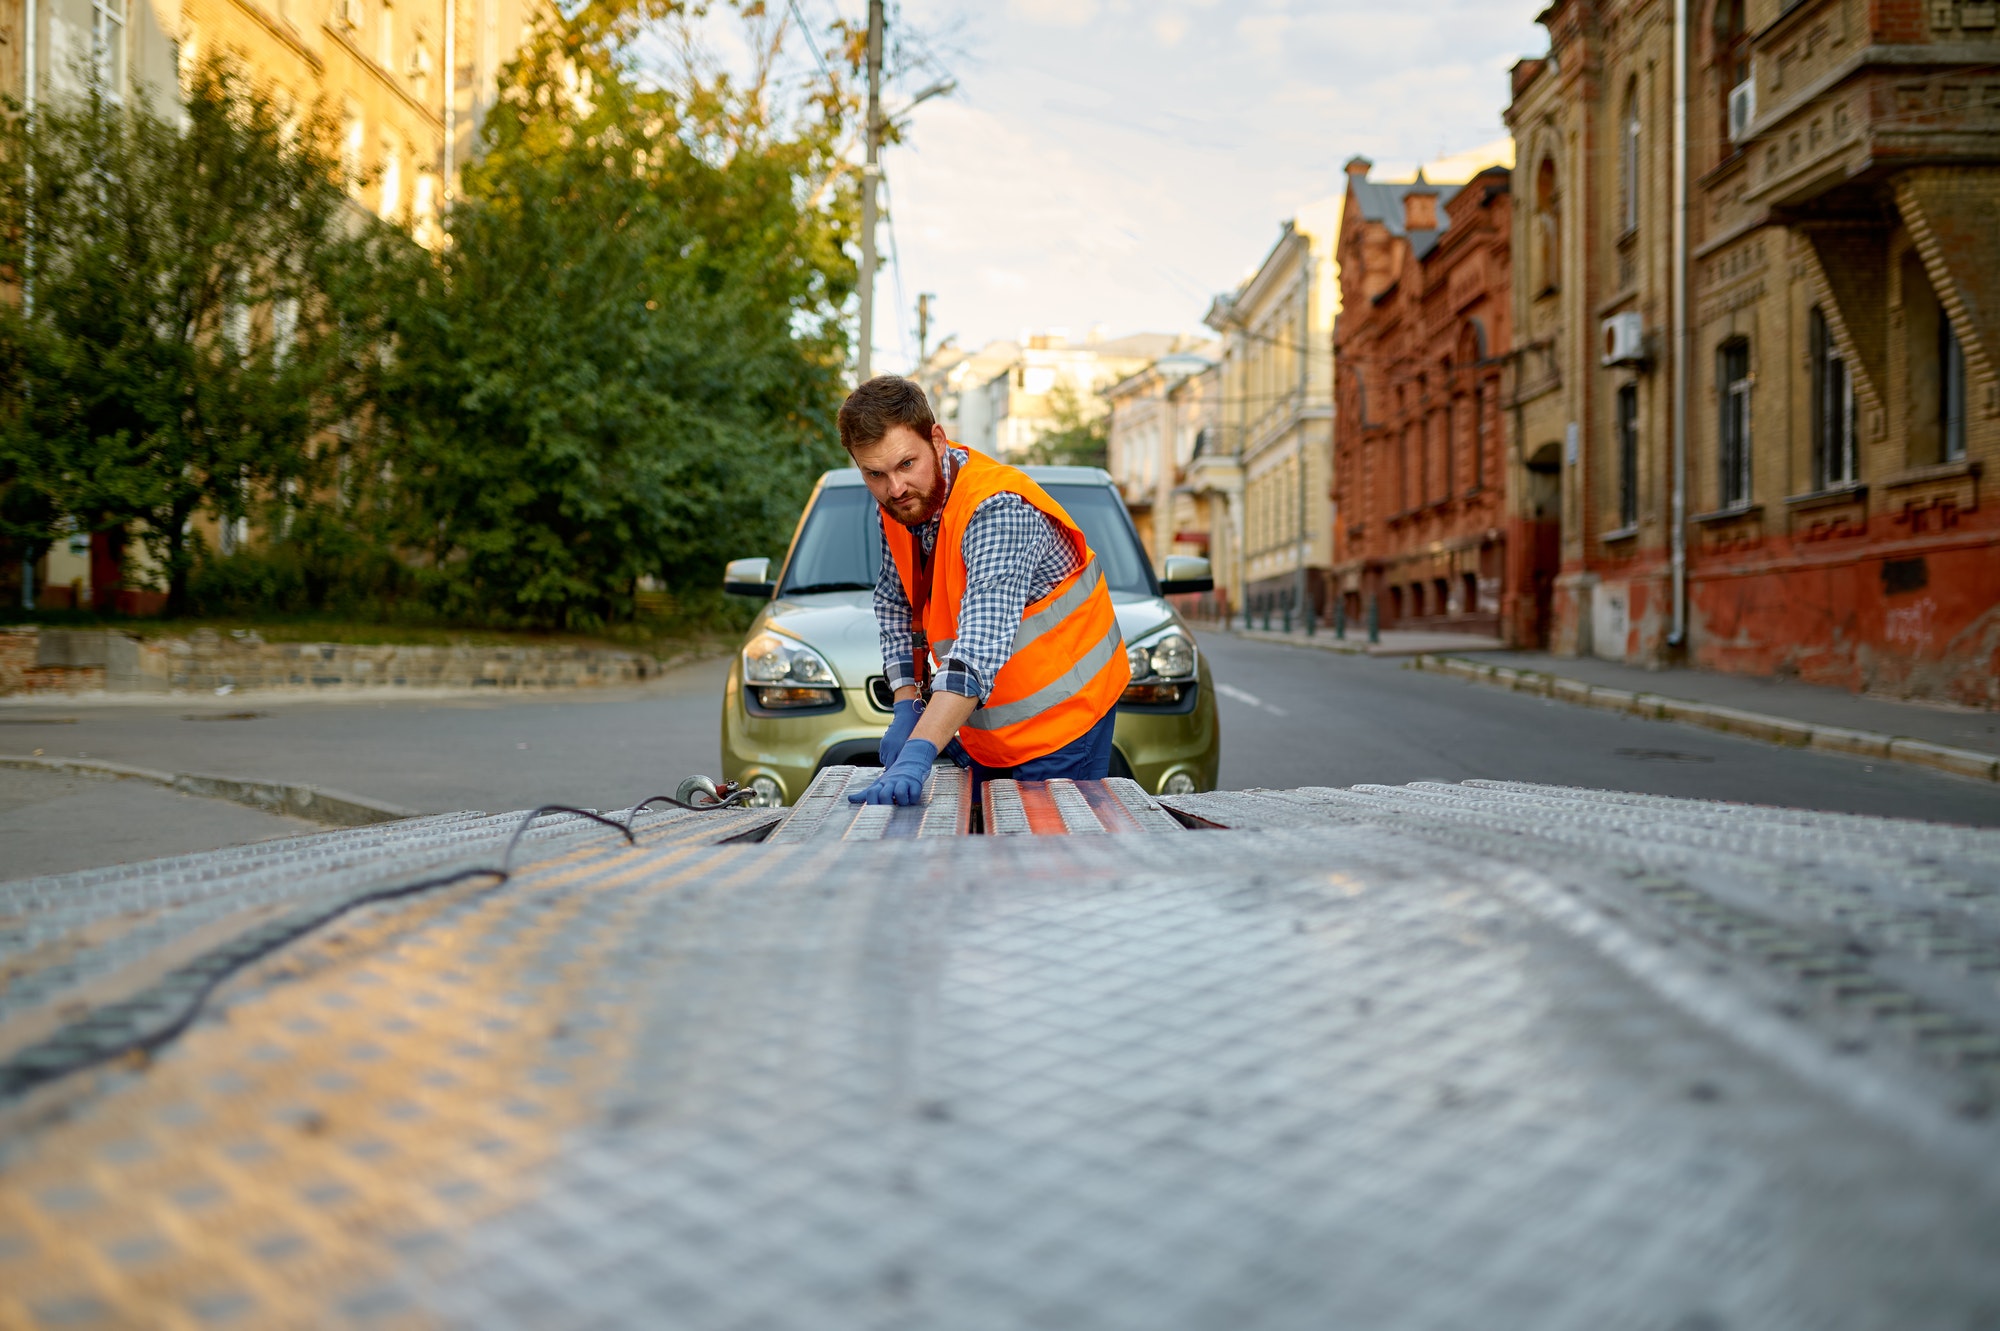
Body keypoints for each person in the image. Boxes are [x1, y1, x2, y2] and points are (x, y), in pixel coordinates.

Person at [839, 375, 1129, 807]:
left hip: (1064, 724)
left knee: (1047, 866)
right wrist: (906, 704)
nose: (894, 488)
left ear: (937, 440)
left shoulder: (996, 509)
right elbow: (897, 604)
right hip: (985, 728)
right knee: (984, 862)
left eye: (906, 464)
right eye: (874, 474)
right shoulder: (900, 504)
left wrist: (919, 750)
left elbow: (978, 647)